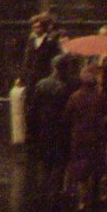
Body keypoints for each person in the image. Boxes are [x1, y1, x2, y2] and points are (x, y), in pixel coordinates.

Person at [64, 66, 107, 212]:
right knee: (99, 167)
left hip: (80, 138)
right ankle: (101, 196)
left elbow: (66, 116)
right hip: (98, 137)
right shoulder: (101, 96)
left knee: (81, 170)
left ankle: (82, 201)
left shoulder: (75, 97)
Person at [28, 55, 72, 199]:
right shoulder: (65, 87)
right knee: (59, 163)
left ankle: (45, 189)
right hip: (60, 129)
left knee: (46, 161)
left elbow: (33, 109)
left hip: (44, 128)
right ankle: (55, 192)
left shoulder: (41, 84)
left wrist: (31, 130)